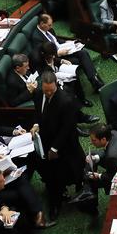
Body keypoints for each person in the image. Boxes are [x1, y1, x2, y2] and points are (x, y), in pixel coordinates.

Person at [33, 70, 85, 218]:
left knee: (73, 169)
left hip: (65, 143)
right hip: (45, 141)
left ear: (56, 85)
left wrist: (55, 148)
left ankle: (78, 192)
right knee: (52, 175)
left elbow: (66, 128)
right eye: (46, 90)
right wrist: (36, 124)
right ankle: (56, 200)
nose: (48, 93)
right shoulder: (38, 94)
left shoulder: (66, 100)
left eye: (51, 90)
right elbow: (37, 112)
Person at [73, 123, 117, 216]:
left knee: (91, 180)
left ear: (103, 139)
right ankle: (87, 189)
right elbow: (106, 151)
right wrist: (97, 157)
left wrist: (99, 176)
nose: (91, 142)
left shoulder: (112, 156)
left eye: (94, 140)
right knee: (92, 154)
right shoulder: (113, 133)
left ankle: (91, 207)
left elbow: (111, 177)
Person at [32, 13, 105, 91]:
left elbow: (55, 40)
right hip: (55, 59)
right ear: (42, 24)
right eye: (49, 25)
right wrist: (59, 53)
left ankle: (95, 81)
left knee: (83, 53)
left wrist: (67, 42)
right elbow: (45, 55)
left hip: (63, 50)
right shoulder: (36, 37)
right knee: (78, 60)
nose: (51, 27)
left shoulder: (49, 29)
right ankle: (96, 84)